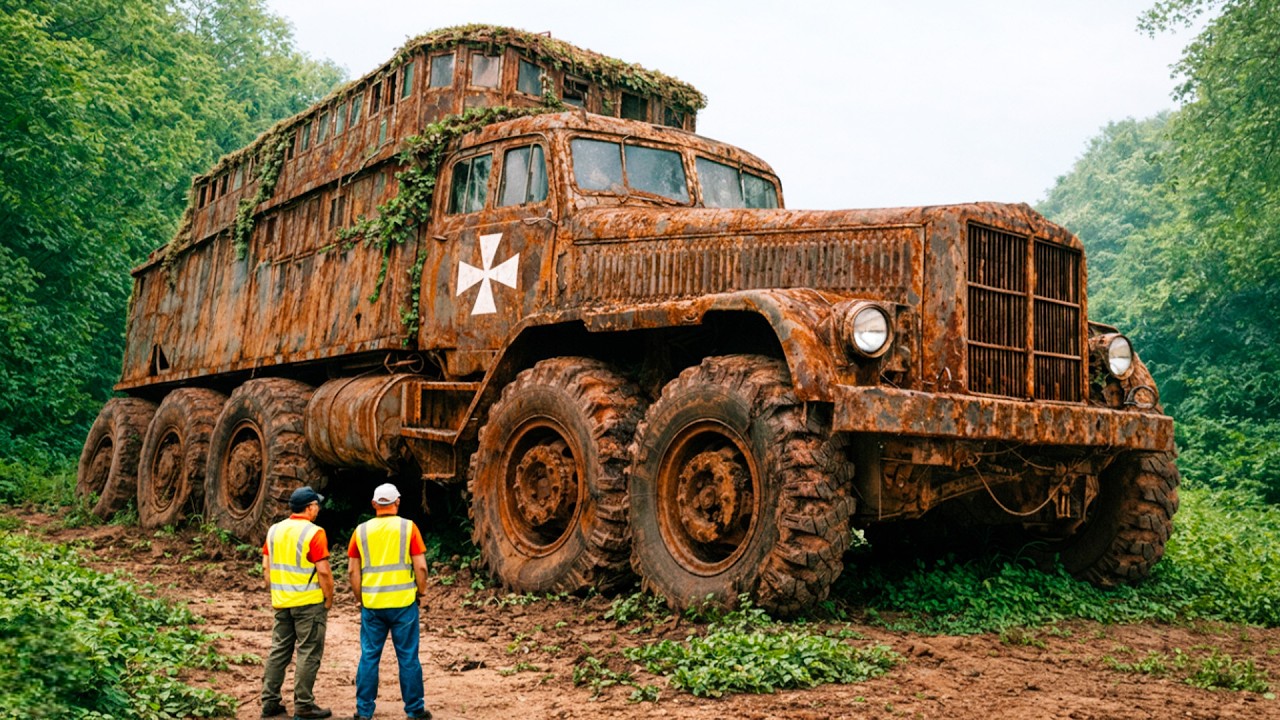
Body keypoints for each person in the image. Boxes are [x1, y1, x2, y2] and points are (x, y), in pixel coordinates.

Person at [348, 483, 431, 720]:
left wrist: (360, 599)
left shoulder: (361, 531)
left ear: (374, 504)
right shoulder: (408, 528)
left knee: (369, 656)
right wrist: (420, 592)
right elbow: (421, 567)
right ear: (397, 502)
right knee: (408, 657)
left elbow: (353, 571)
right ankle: (414, 710)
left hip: (373, 605)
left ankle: (364, 711)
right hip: (404, 605)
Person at [261, 486, 334, 719]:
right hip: (309, 603)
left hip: (282, 601)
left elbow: (266, 568)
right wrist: (329, 598)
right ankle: (303, 705)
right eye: (316, 505)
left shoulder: (274, 530)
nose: (318, 509)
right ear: (309, 507)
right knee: (308, 652)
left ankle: (269, 702)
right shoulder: (314, 532)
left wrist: (277, 593)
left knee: (279, 651)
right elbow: (324, 571)